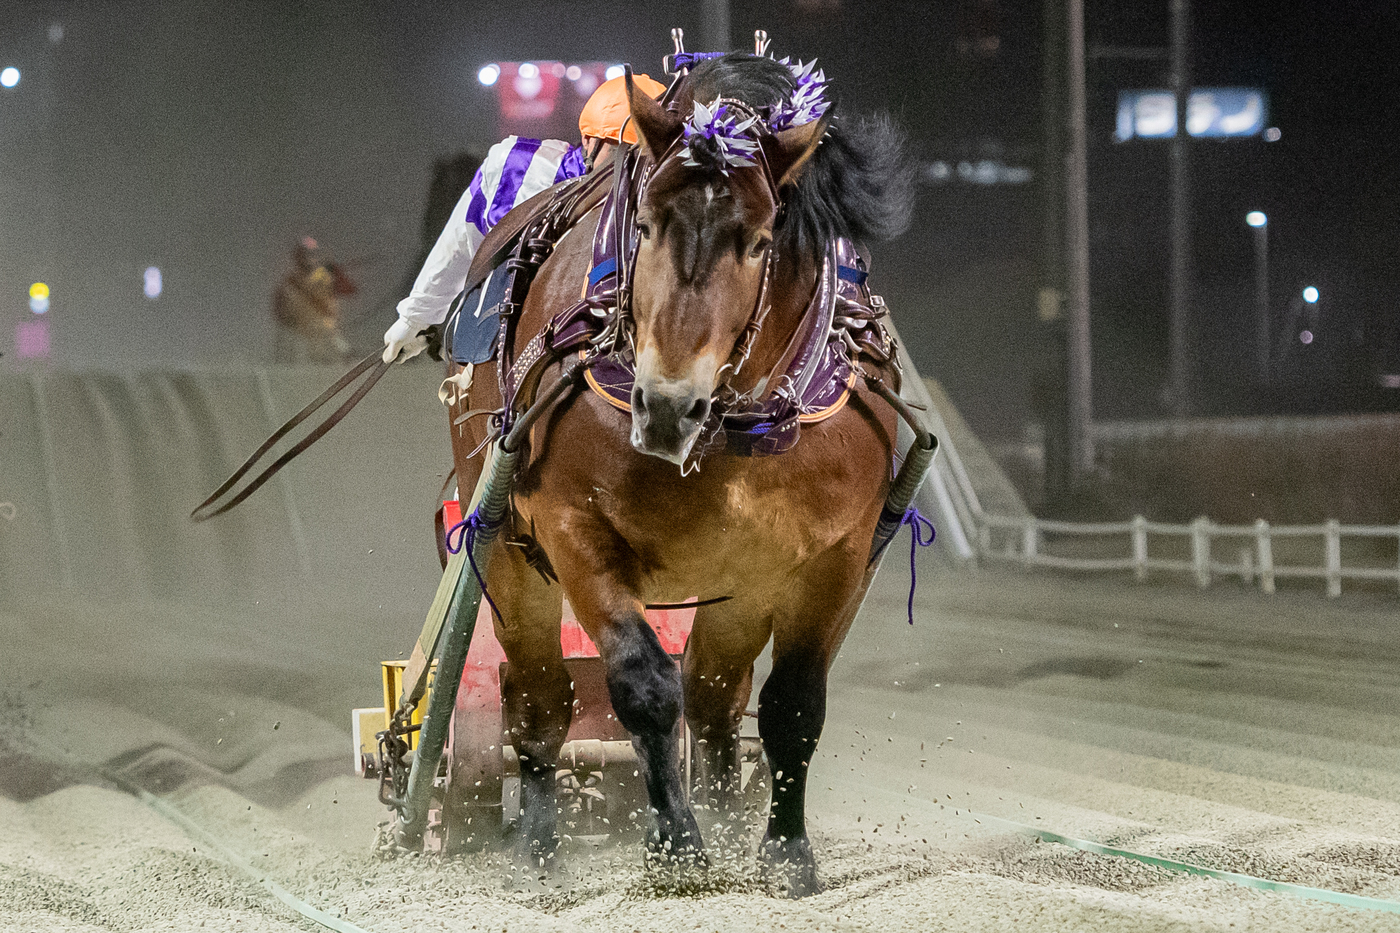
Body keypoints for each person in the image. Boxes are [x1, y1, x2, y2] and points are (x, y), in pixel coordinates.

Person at [382, 73, 669, 365]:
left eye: (642, 153)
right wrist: (417, 319)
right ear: (588, 139)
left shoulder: (676, 197)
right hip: (524, 343)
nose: (631, 164)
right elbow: (460, 240)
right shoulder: (524, 170)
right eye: (620, 148)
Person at [272, 236, 357, 364]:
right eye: (308, 255)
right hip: (302, 326)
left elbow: (346, 290)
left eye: (314, 255)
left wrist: (335, 272)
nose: (312, 258)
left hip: (324, 321)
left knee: (333, 343)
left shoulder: (324, 275)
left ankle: (341, 357)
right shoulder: (293, 280)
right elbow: (283, 305)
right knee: (312, 350)